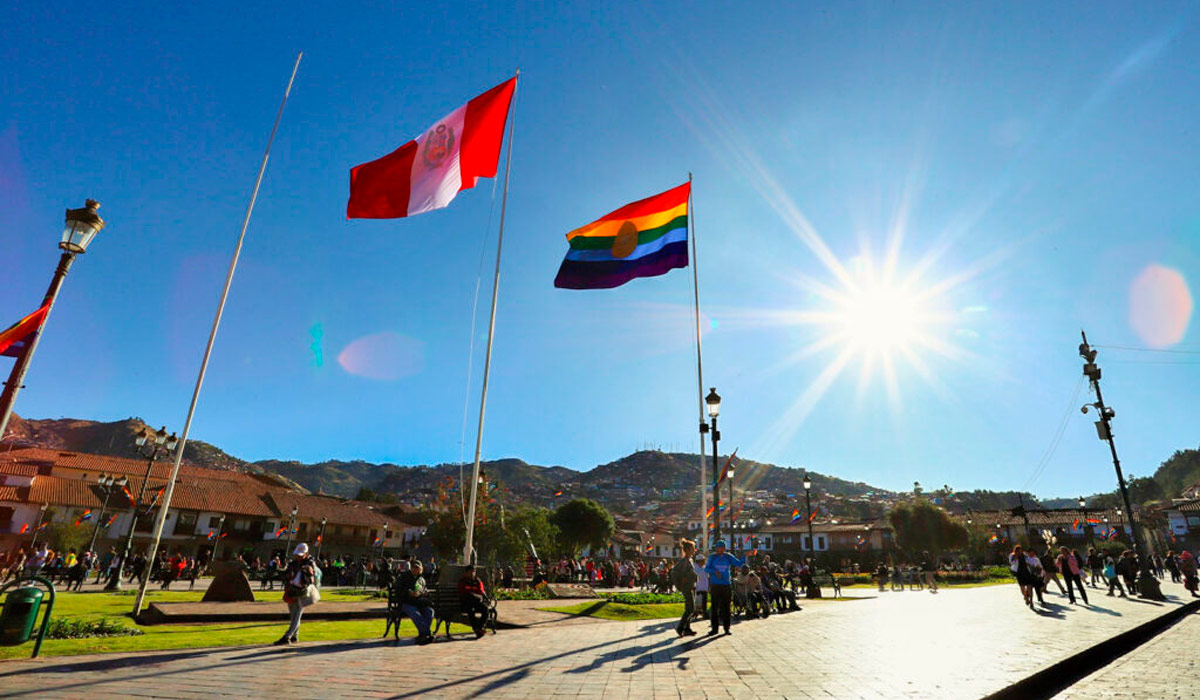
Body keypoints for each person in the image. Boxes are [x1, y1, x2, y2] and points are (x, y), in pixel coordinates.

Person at [275, 543, 317, 646]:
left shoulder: (310, 563)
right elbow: (285, 573)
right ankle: (295, 636)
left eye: (300, 555)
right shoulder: (293, 563)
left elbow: (312, 577)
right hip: (291, 590)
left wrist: (309, 571)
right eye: (297, 555)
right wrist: (279, 565)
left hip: (302, 592)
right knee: (293, 615)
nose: (298, 557)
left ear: (306, 554)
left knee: (297, 614)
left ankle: (287, 636)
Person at [703, 540, 744, 636]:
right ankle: (714, 629)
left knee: (726, 608)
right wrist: (714, 571)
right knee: (714, 608)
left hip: (726, 585)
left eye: (723, 548)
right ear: (716, 548)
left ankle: (727, 628)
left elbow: (738, 563)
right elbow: (706, 568)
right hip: (715, 585)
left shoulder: (728, 556)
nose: (721, 550)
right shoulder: (712, 557)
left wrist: (745, 556)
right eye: (719, 548)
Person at [401, 560, 436, 644]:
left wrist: (425, 593)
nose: (417, 570)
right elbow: (399, 591)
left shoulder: (421, 579)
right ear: (411, 568)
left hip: (419, 602)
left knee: (430, 612)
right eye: (415, 568)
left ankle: (423, 635)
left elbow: (424, 589)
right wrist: (409, 593)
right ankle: (427, 633)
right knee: (415, 613)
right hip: (407, 602)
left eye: (419, 569)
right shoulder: (403, 577)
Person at [671, 539, 697, 637]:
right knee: (691, 609)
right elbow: (674, 573)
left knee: (688, 607)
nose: (695, 550)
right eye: (693, 548)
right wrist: (680, 583)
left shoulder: (690, 560)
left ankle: (687, 629)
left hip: (691, 586)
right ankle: (680, 628)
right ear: (688, 549)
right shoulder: (684, 561)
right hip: (687, 588)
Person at [457, 565, 489, 639]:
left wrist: (485, 597)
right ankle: (477, 629)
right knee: (470, 610)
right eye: (470, 572)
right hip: (466, 603)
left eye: (473, 572)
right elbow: (463, 593)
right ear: (466, 572)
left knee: (485, 609)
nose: (472, 574)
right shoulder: (463, 581)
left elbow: (481, 591)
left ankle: (480, 627)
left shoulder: (477, 581)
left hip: (476, 602)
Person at [692, 553, 709, 621]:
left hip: (704, 587)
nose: (704, 562)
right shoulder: (695, 567)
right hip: (698, 587)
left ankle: (703, 613)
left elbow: (707, 575)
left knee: (704, 602)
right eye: (703, 560)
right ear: (699, 561)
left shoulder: (703, 567)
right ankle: (696, 612)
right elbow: (702, 575)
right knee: (697, 601)